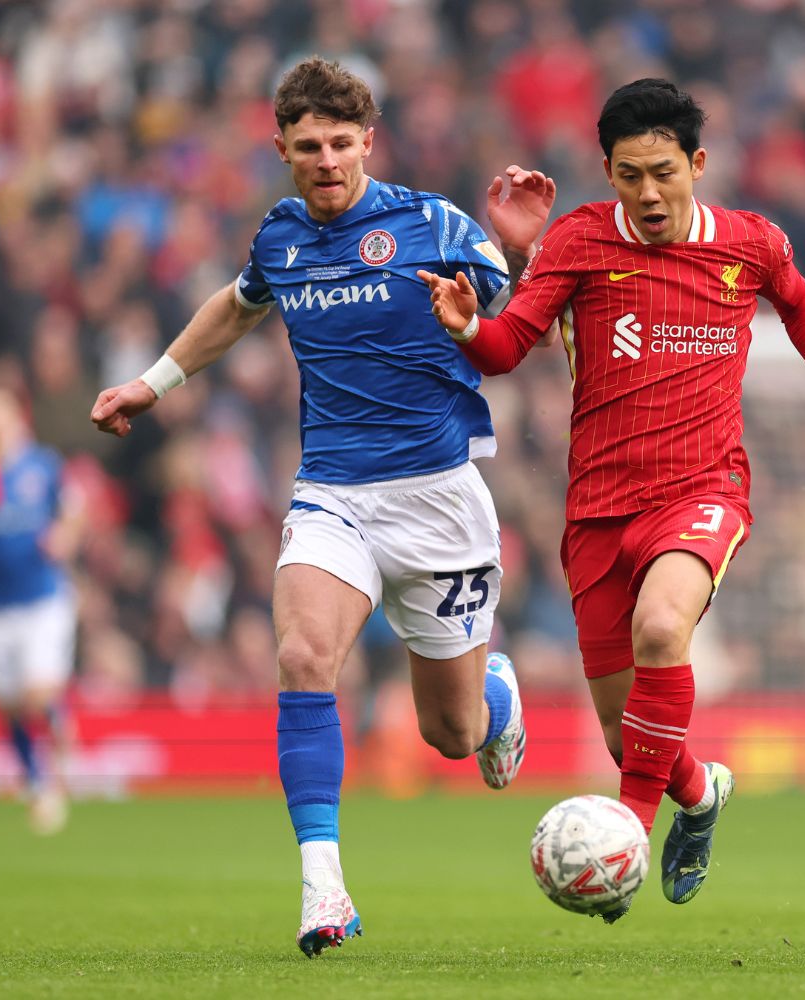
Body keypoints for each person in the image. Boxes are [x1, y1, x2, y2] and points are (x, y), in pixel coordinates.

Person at [89, 57, 552, 957]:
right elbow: (238, 305)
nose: (327, 160)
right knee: (303, 657)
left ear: (367, 143)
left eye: (342, 143)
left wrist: (523, 253)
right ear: (282, 150)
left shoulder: (435, 224)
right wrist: (153, 384)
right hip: (332, 493)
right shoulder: (281, 237)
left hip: (440, 500)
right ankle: (323, 890)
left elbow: (522, 329)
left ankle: (496, 702)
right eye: (309, 147)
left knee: (450, 735)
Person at [420, 78, 805, 920]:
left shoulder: (751, 244)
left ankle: (626, 835)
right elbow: (506, 348)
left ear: (697, 163)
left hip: (704, 491)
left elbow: (802, 301)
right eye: (628, 175)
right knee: (628, 737)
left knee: (664, 628)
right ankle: (699, 798)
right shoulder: (579, 240)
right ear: (607, 171)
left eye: (663, 171)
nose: (648, 192)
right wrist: (463, 327)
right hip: (597, 511)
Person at [0, 387, 81, 835]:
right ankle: (37, 784)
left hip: (42, 599)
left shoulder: (41, 465)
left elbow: (75, 510)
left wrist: (65, 536)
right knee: (10, 706)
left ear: (15, 418)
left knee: (36, 693)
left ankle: (57, 716)